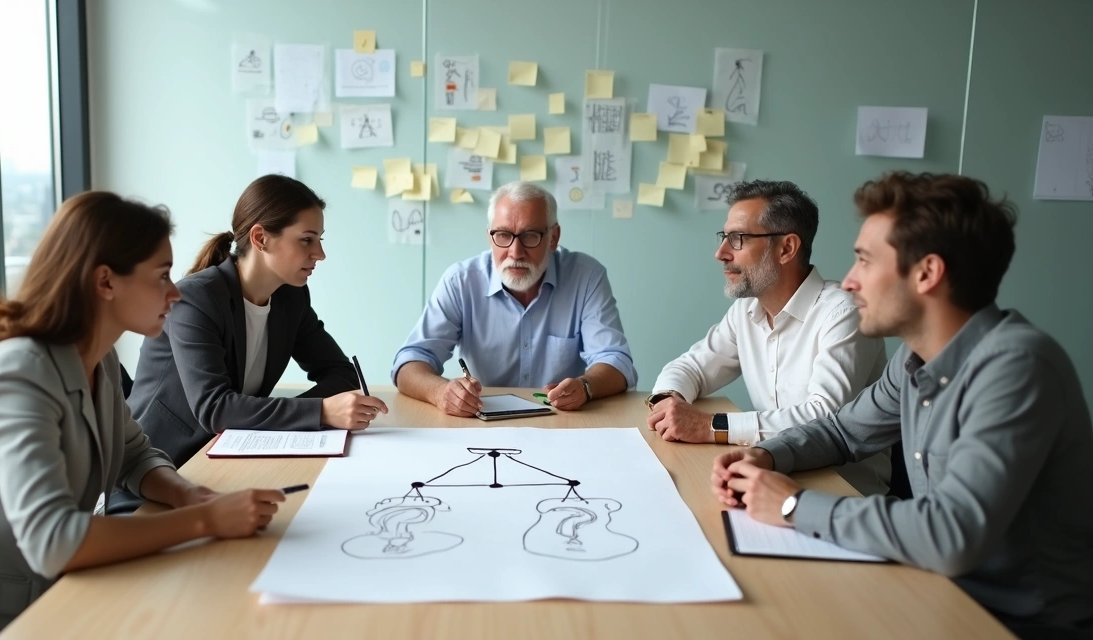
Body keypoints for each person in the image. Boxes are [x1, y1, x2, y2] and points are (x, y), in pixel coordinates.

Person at [711, 172, 1093, 632]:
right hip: (935, 592)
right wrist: (769, 454)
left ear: (927, 273)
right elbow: (841, 431)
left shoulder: (1017, 367)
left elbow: (951, 534)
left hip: (1011, 623)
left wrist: (793, 507)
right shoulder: (915, 358)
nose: (848, 282)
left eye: (865, 262)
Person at [0, 192, 287, 636]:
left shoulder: (96, 360)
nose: (175, 293)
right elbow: (53, 541)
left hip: (43, 599)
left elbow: (134, 454)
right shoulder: (16, 374)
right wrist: (204, 520)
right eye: (161, 276)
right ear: (105, 282)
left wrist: (187, 494)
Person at [647, 180, 889, 495]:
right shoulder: (746, 311)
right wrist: (669, 400)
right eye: (725, 238)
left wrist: (710, 426)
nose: (720, 253)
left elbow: (824, 420)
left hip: (843, 493)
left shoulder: (844, 312)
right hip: (770, 479)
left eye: (738, 239)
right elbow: (691, 366)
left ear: (787, 248)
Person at [128, 175, 387, 468]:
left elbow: (341, 373)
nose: (320, 254)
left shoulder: (291, 298)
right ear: (260, 238)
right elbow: (215, 408)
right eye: (307, 239)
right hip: (160, 466)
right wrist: (320, 412)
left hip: (231, 455)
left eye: (319, 240)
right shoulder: (195, 299)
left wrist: (316, 412)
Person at [392, 181, 636, 416]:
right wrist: (440, 392)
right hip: (483, 421)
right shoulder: (461, 281)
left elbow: (616, 361)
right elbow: (410, 361)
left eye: (530, 236)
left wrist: (585, 387)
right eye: (503, 235)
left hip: (562, 422)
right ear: (490, 237)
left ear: (553, 238)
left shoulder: (586, 277)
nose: (515, 252)